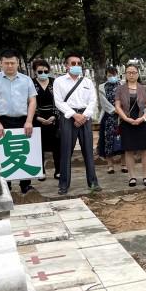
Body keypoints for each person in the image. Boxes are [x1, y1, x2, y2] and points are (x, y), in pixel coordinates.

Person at [0, 49, 37, 195]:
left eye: (12, 63)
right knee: (3, 153)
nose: (9, 66)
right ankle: (6, 185)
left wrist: (29, 121)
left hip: (23, 120)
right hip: (2, 120)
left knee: (23, 152)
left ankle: (25, 184)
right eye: (6, 63)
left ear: (17, 63)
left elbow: (32, 101)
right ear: (0, 63)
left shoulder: (26, 80)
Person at [53, 52, 101, 195]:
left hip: (85, 118)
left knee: (88, 152)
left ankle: (93, 183)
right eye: (73, 63)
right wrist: (74, 115)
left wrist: (84, 116)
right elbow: (58, 102)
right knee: (66, 151)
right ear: (66, 66)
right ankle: (63, 185)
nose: (76, 66)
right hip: (68, 117)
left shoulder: (87, 82)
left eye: (78, 63)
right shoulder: (59, 81)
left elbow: (93, 101)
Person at [114, 64, 146, 187]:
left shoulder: (144, 88)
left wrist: (143, 118)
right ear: (125, 74)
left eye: (134, 72)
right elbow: (117, 106)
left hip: (143, 122)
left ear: (138, 74)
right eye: (129, 72)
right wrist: (126, 118)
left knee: (145, 150)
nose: (131, 74)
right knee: (129, 150)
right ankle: (132, 177)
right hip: (127, 122)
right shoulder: (120, 89)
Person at [31, 59, 61, 180]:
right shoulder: (31, 84)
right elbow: (28, 101)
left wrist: (54, 115)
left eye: (45, 71)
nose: (43, 73)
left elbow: (60, 100)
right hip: (37, 117)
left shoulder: (54, 83)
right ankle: (41, 171)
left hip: (54, 117)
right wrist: (37, 117)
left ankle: (58, 170)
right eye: (40, 71)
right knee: (39, 145)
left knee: (57, 145)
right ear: (35, 71)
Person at [97, 67, 123, 174]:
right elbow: (103, 103)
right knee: (108, 140)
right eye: (109, 75)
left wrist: (121, 111)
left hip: (123, 117)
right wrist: (115, 110)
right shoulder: (102, 87)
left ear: (117, 74)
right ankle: (110, 165)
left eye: (113, 74)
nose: (111, 77)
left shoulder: (122, 85)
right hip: (108, 116)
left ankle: (124, 164)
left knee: (123, 140)